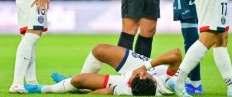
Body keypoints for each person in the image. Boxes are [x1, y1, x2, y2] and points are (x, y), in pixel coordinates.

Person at [23, 44, 180, 96]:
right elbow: (176, 54)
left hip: (131, 78)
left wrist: (79, 90)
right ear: (152, 79)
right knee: (99, 50)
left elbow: (104, 92)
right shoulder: (166, 83)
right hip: (141, 65)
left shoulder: (129, 88)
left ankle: (43, 88)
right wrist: (144, 67)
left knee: (79, 81)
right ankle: (71, 82)